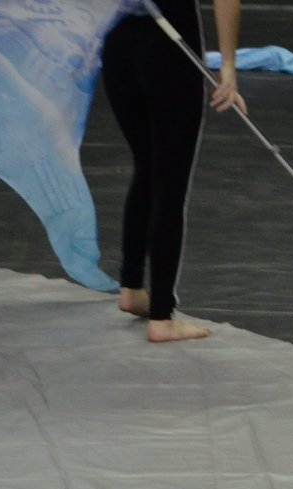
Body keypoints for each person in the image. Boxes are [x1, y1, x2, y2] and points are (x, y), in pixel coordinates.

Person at [101, 0, 244, 342]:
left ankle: (132, 286)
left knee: (147, 164)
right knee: (169, 179)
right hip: (169, 48)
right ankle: (162, 316)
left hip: (117, 46)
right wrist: (228, 65)